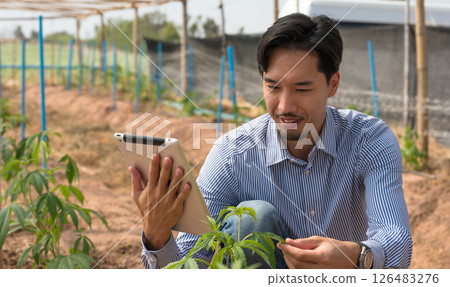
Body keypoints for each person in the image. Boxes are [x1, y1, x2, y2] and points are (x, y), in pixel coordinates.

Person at [130, 13, 412, 269]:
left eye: (302, 89)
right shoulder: (233, 155)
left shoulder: (368, 139)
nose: (285, 106)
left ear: (333, 84)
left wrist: (357, 256)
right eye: (273, 87)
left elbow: (395, 239)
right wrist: (157, 237)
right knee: (254, 219)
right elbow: (190, 266)